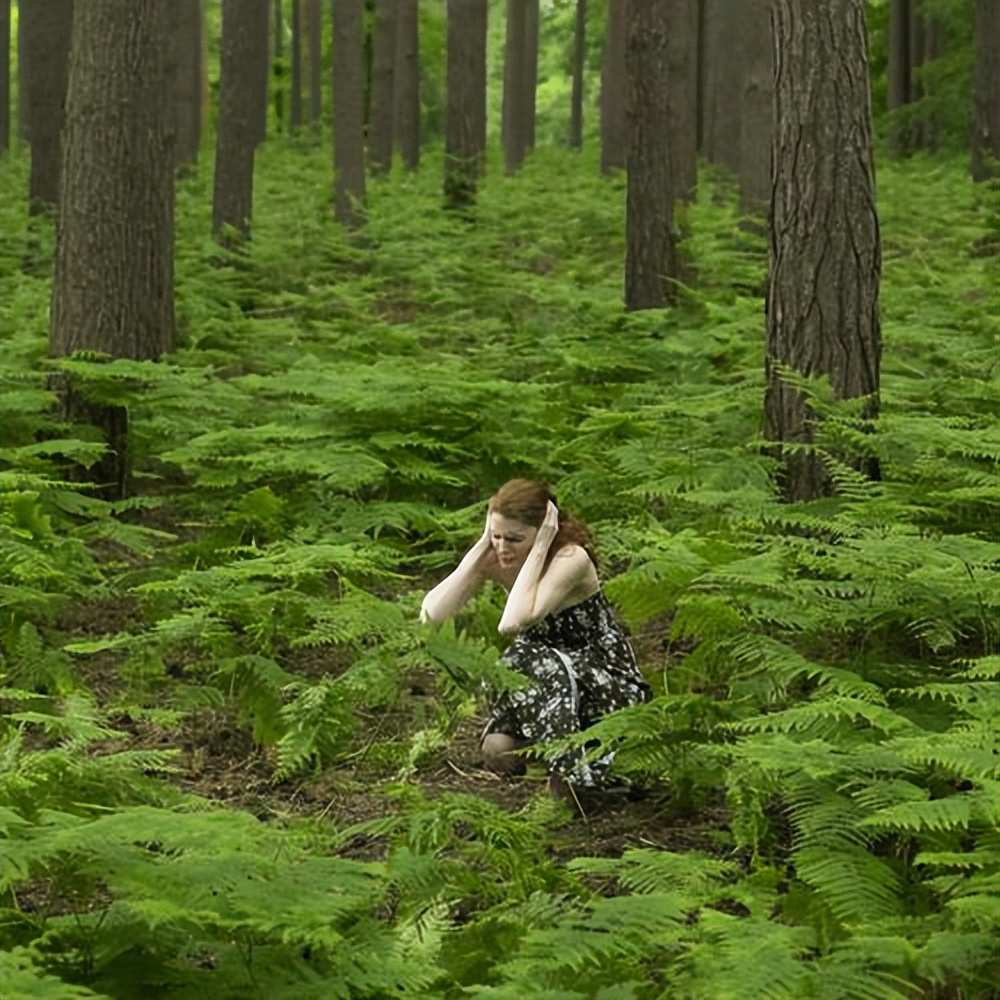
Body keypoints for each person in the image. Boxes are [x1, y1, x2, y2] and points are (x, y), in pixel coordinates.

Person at [420, 478, 650, 797]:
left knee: (528, 655)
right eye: (497, 536)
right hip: (543, 683)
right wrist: (482, 548)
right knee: (497, 750)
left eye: (514, 538)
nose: (503, 547)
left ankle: (576, 774)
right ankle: (562, 762)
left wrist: (541, 546)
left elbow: (513, 623)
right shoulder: (498, 554)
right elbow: (431, 615)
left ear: (545, 529)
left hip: (599, 679)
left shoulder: (570, 558)